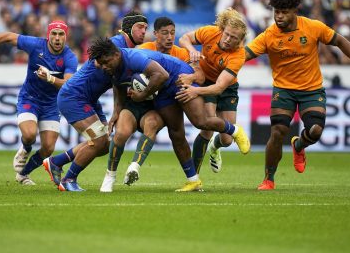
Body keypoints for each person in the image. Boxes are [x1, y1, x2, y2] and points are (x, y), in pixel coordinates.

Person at [97, 38, 250, 192]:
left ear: (116, 55)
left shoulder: (133, 58)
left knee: (201, 122)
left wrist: (143, 95)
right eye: (101, 63)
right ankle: (193, 181)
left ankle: (235, 131)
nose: (103, 67)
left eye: (105, 62)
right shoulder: (113, 68)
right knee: (176, 133)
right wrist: (117, 111)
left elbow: (161, 75)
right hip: (162, 91)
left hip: (178, 77)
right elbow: (117, 86)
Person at [244, 0, 350, 190]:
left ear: (295, 10)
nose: (279, 16)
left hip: (311, 89)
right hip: (283, 89)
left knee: (315, 130)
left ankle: (299, 145)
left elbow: (338, 40)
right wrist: (218, 64)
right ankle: (269, 179)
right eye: (276, 11)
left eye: (284, 12)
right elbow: (244, 54)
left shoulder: (313, 27)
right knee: (277, 132)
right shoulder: (269, 35)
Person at [43, 10, 148, 191]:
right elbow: (97, 61)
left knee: (105, 144)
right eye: (140, 27)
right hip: (74, 95)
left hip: (89, 99)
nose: (144, 32)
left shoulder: (128, 51)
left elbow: (116, 83)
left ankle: (56, 162)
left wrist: (116, 111)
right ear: (128, 29)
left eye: (146, 28)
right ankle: (68, 180)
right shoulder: (115, 44)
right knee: (98, 140)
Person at [101, 16, 204, 192]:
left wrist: (191, 77)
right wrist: (118, 109)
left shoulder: (182, 54)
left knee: (175, 133)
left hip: (158, 105)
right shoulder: (143, 50)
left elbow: (200, 78)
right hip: (137, 102)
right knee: (121, 133)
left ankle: (137, 167)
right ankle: (109, 176)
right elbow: (119, 80)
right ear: (156, 34)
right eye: (165, 33)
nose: (170, 37)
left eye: (172, 33)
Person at [0, 20, 78, 185]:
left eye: (61, 34)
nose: (57, 38)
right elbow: (7, 36)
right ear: (48, 35)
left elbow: (68, 83)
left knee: (48, 148)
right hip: (29, 98)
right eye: (54, 34)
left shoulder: (70, 57)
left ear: (66, 37)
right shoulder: (36, 45)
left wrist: (50, 78)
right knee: (29, 135)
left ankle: (23, 174)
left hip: (51, 104)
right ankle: (26, 148)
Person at [177, 7, 248, 175]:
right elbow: (184, 38)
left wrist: (196, 92)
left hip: (226, 87)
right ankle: (194, 177)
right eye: (227, 34)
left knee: (227, 139)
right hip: (206, 80)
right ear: (222, 30)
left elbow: (220, 87)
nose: (228, 39)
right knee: (207, 127)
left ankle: (215, 147)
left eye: (234, 38)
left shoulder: (238, 55)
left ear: (240, 40)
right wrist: (192, 49)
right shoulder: (210, 32)